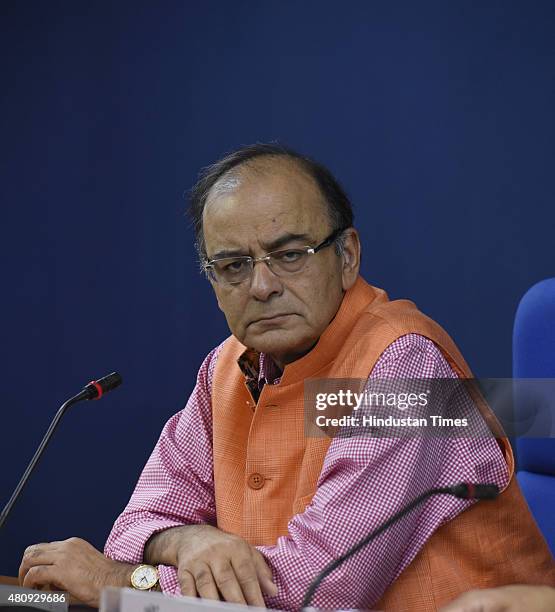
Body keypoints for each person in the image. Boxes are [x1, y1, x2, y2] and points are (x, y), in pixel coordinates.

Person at [18, 144, 555, 610]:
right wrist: (188, 543)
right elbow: (135, 526)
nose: (262, 286)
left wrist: (119, 582)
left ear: (347, 256)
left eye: (290, 255)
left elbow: (314, 587)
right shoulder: (224, 369)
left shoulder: (404, 365)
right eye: (233, 265)